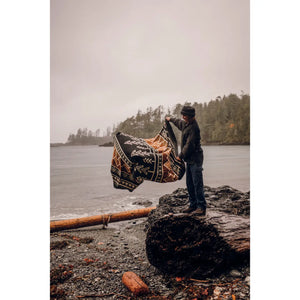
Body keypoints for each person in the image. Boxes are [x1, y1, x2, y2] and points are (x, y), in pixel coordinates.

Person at [166, 105, 206, 216]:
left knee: (197, 184)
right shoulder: (186, 124)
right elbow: (178, 122)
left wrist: (180, 156)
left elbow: (189, 145)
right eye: (182, 115)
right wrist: (170, 119)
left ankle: (201, 207)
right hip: (189, 160)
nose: (183, 117)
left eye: (185, 115)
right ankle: (192, 205)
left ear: (191, 116)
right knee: (189, 183)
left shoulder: (194, 128)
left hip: (196, 159)